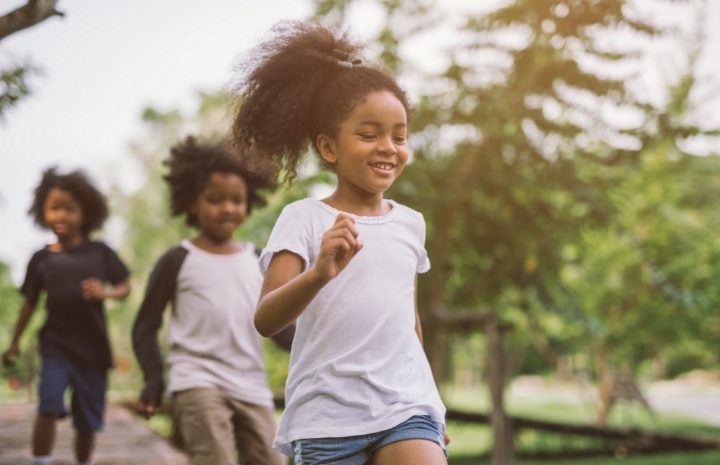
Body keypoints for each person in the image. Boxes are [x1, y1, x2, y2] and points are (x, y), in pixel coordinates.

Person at [229, 20, 449, 465]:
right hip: (327, 420)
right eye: (369, 135)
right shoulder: (304, 218)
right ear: (329, 147)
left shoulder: (411, 224)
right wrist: (319, 273)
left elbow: (409, 323)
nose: (388, 147)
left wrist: (431, 404)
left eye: (399, 135)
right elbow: (266, 319)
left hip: (405, 408)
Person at [132, 138, 292, 465]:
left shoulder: (260, 261)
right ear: (193, 203)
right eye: (215, 199)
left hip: (251, 383)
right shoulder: (177, 259)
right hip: (197, 379)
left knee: (272, 460)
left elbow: (279, 328)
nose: (228, 208)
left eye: (237, 200)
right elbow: (145, 325)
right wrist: (153, 379)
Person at [2, 168, 131, 465]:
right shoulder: (42, 258)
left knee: (87, 420)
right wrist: (14, 342)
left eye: (69, 209)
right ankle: (40, 461)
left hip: (93, 349)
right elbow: (29, 304)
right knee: (48, 403)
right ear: (42, 212)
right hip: (55, 345)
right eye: (54, 208)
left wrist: (106, 292)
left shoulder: (100, 252)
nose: (61, 215)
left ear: (85, 213)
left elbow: (124, 286)